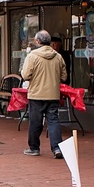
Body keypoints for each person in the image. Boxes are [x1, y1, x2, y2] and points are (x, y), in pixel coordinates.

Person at [22, 29, 67, 159]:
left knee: (35, 122)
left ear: (37, 41)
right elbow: (64, 77)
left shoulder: (32, 56)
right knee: (53, 121)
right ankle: (57, 147)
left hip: (36, 94)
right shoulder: (58, 56)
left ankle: (34, 148)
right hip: (53, 94)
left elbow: (25, 75)